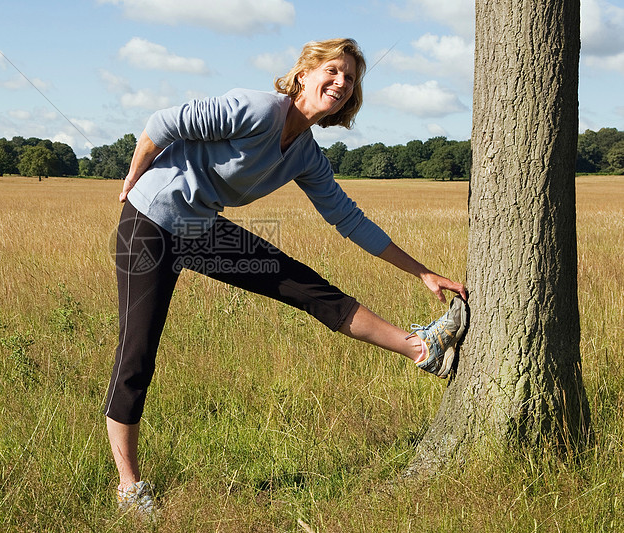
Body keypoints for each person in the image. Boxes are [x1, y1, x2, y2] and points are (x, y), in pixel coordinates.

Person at [104, 38, 469, 518]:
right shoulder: (256, 110)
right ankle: (129, 486)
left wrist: (421, 271)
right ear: (304, 74)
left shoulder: (306, 156)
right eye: (334, 71)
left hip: (198, 227)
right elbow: (162, 124)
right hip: (148, 222)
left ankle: (423, 349)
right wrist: (133, 181)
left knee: (304, 285)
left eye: (352, 79)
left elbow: (348, 219)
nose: (341, 83)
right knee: (138, 353)